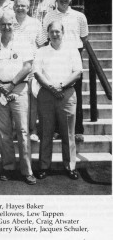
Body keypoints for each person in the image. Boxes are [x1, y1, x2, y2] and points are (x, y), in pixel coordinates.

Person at [0, 11, 36, 185]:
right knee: (4, 130)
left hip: (19, 88)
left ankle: (27, 170)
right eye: (3, 24)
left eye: (9, 24)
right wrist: (1, 86)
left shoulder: (23, 42)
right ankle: (8, 167)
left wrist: (12, 84)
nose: (7, 27)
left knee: (23, 130)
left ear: (13, 25)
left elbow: (28, 66)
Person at [34, 21, 82, 180]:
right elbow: (37, 73)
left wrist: (61, 86)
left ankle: (70, 166)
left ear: (63, 33)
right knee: (46, 132)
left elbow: (77, 72)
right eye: (52, 32)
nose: (55, 34)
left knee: (68, 133)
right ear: (47, 34)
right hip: (46, 94)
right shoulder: (41, 51)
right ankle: (43, 166)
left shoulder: (72, 50)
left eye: (58, 32)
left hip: (66, 94)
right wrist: (52, 88)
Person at [43, 0, 89, 142]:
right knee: (55, 93)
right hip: (55, 57)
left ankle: (77, 130)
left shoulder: (79, 16)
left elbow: (84, 39)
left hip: (73, 57)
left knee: (75, 95)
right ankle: (56, 129)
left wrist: (72, 53)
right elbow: (44, 37)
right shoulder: (49, 16)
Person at [12, 0, 46, 142]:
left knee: (32, 100)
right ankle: (16, 129)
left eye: (23, 6)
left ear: (28, 8)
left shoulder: (36, 23)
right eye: (18, 5)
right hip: (14, 67)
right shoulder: (9, 23)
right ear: (14, 7)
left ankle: (32, 129)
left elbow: (42, 45)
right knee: (15, 99)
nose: (20, 8)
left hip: (31, 66)